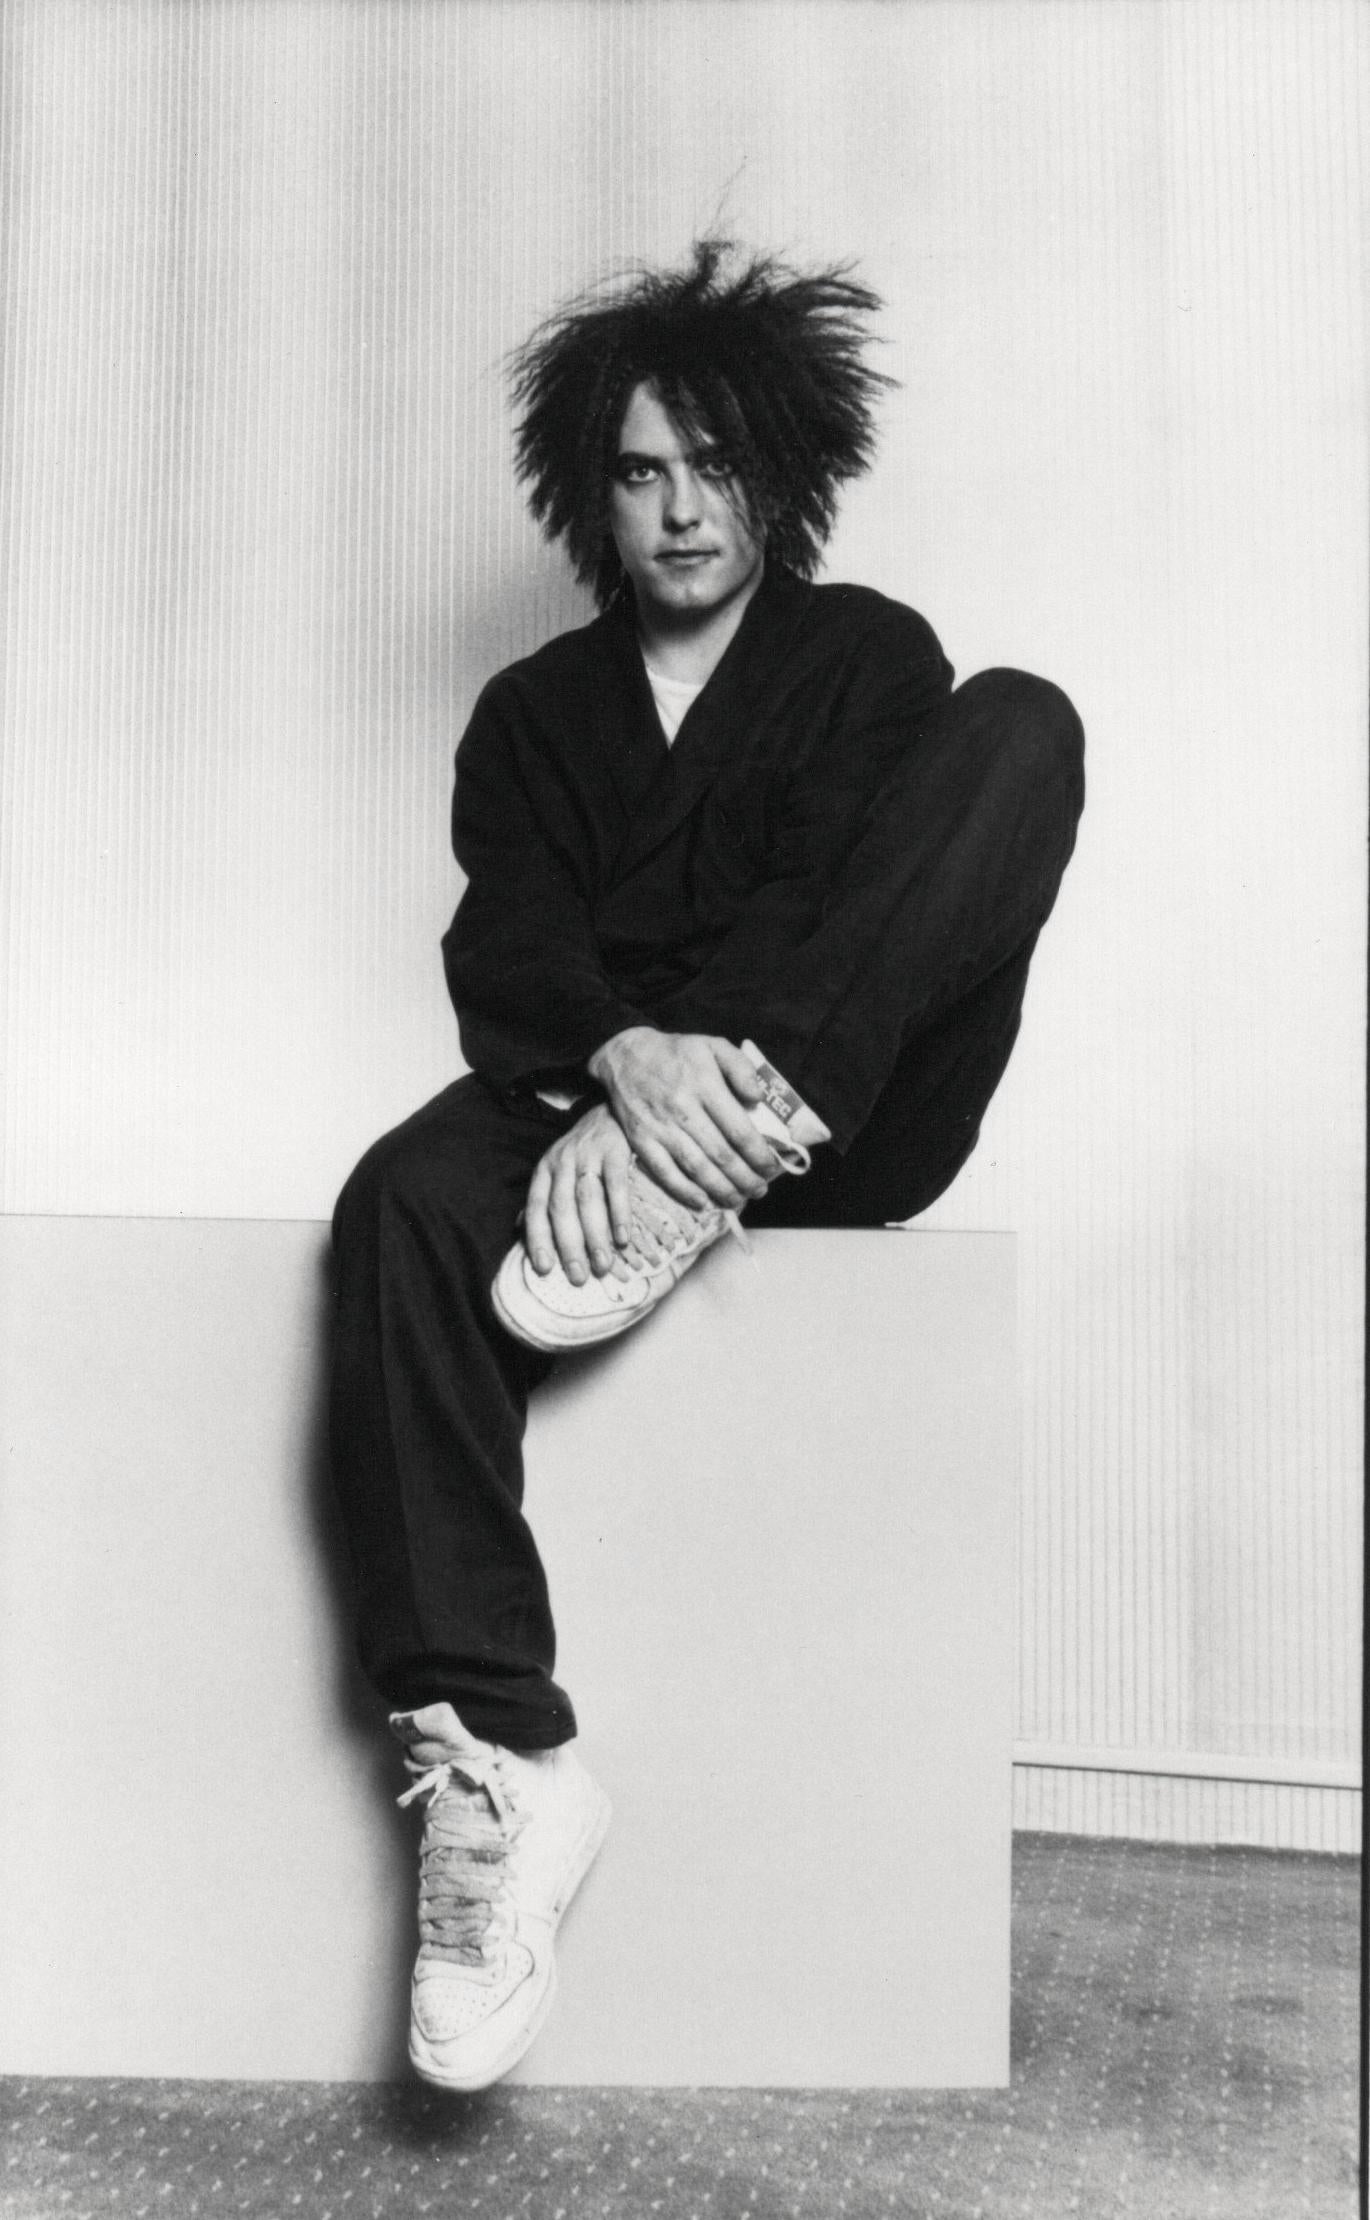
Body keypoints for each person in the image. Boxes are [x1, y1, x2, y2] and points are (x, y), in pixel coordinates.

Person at [329, 239, 1085, 2092]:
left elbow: (845, 903)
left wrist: (712, 1081)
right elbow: (507, 946)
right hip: (600, 1097)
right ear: (591, 489)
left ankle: (718, 1139)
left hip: (835, 1102)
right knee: (402, 1195)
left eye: (717, 468)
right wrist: (620, 1062)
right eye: (644, 471)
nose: (680, 509)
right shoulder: (532, 714)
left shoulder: (862, 656)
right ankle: (498, 1763)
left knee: (1025, 722)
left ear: (783, 476)